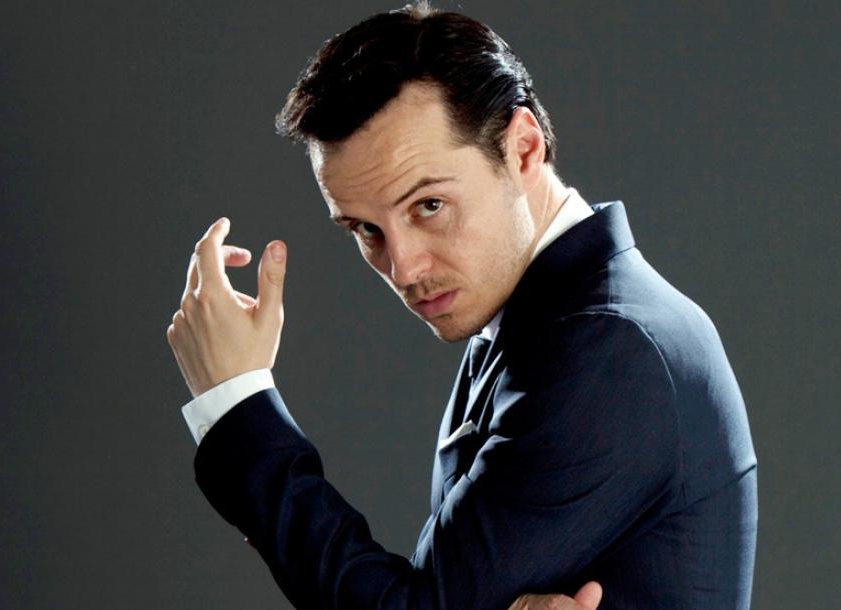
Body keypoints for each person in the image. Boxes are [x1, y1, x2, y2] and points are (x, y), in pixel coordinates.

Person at [166, 3, 757, 609]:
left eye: (429, 206)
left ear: (523, 149)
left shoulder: (608, 349)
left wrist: (236, 400)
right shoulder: (532, 322)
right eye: (366, 229)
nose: (404, 268)